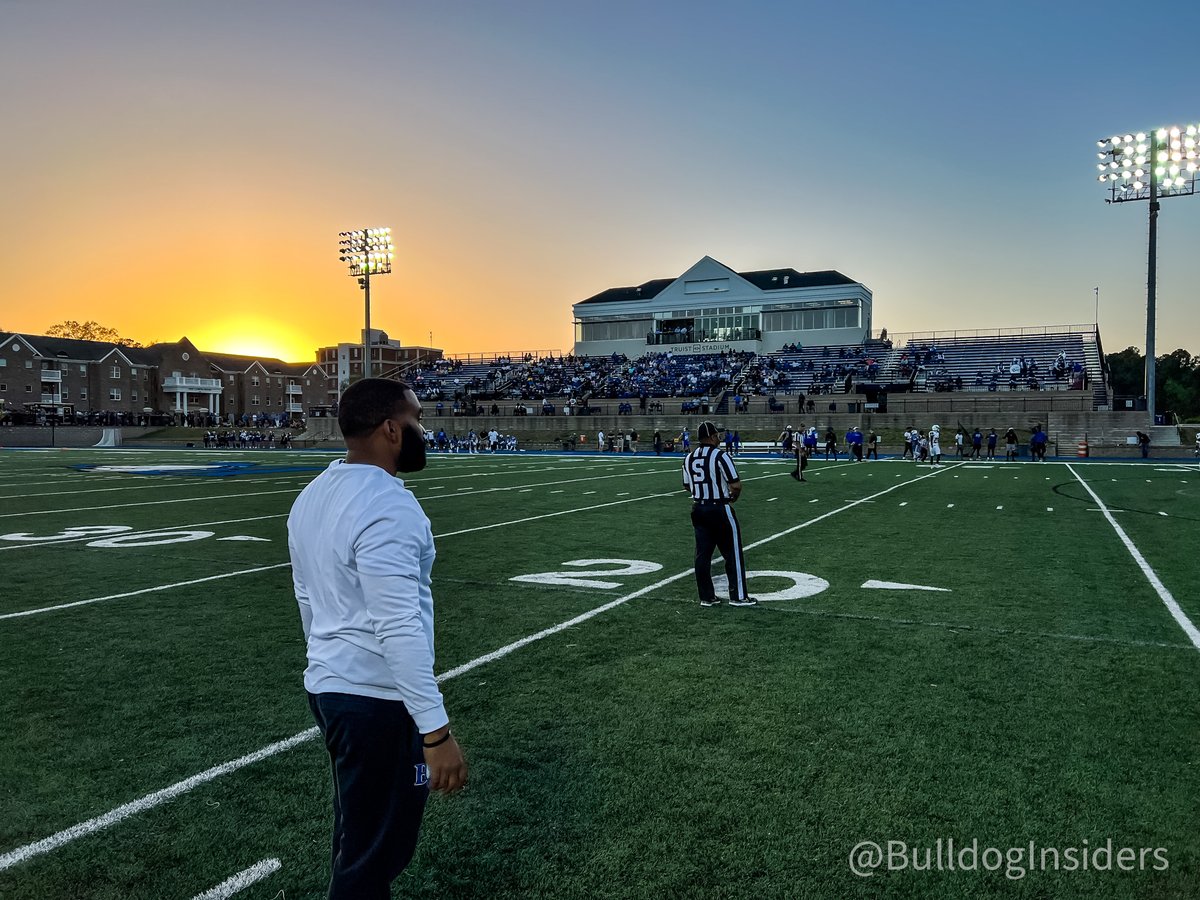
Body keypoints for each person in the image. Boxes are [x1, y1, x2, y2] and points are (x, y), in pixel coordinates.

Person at [288, 379, 467, 900]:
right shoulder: (388, 505)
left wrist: (326, 663)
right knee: (372, 858)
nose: (423, 431)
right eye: (417, 420)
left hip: (330, 686)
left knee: (357, 839)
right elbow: (397, 623)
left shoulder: (312, 495)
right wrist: (435, 733)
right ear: (392, 428)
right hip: (375, 699)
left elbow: (305, 597)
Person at [683, 421, 755, 607]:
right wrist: (733, 497)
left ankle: (706, 597)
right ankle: (738, 597)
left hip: (698, 508)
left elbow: (686, 485)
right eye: (717, 435)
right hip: (719, 508)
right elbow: (736, 485)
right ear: (713, 436)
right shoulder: (720, 456)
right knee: (733, 554)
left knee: (702, 555)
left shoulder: (689, 457)